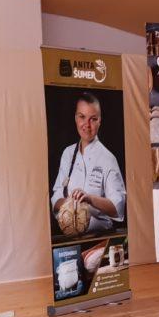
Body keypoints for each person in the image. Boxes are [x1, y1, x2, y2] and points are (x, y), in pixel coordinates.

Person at [51, 92, 126, 233]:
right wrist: (71, 203)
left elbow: (118, 207)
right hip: (69, 235)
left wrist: (89, 199)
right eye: (82, 117)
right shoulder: (68, 153)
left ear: (99, 121)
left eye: (93, 119)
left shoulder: (108, 159)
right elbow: (55, 199)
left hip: (99, 236)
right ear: (75, 118)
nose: (87, 124)